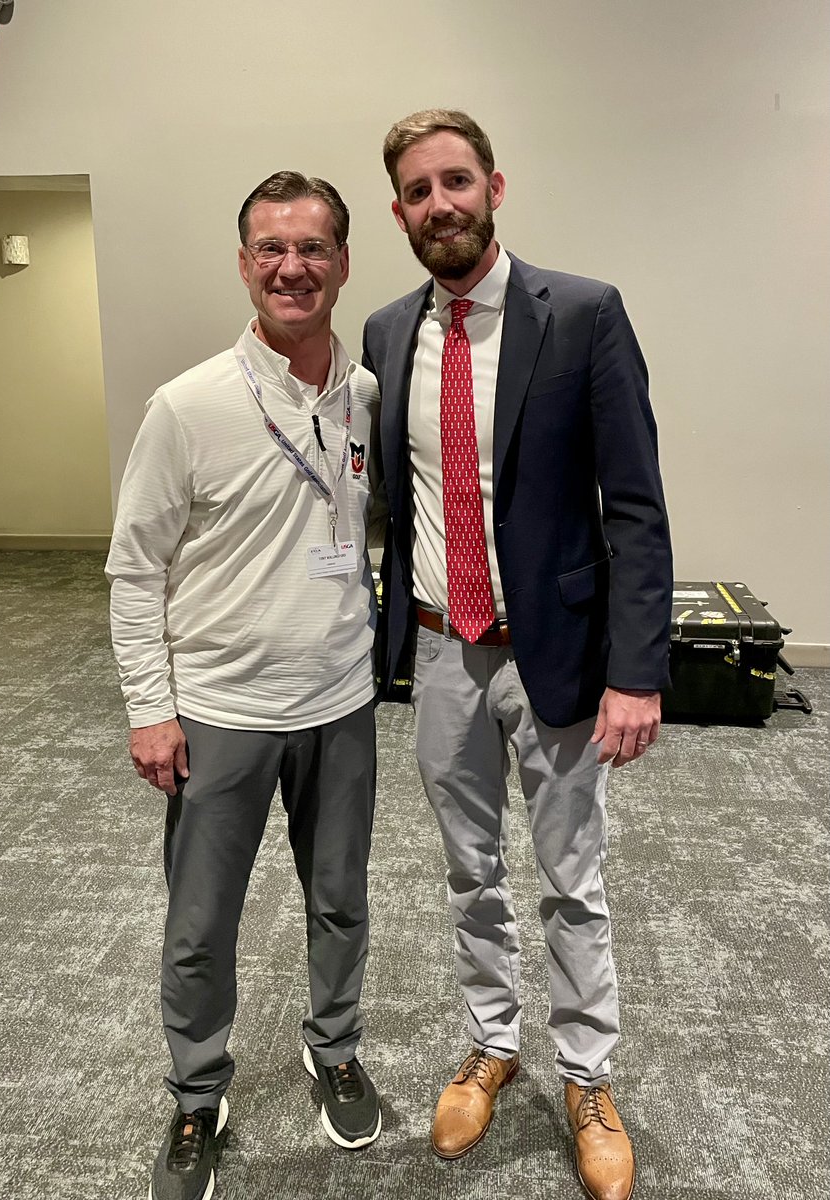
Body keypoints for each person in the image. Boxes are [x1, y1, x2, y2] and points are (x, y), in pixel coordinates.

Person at [363, 110, 672, 1200]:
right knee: (467, 872)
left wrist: (635, 670)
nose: (438, 203)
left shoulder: (581, 314)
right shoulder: (385, 331)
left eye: (455, 180)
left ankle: (586, 1076)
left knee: (570, 878)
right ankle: (492, 1044)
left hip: (558, 654)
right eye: (415, 189)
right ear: (398, 210)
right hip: (441, 651)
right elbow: (387, 508)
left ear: (495, 185)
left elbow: (633, 507)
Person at [106, 171, 383, 1200]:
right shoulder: (186, 407)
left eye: (311, 248)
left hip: (340, 702)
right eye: (270, 248)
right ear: (243, 264)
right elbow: (133, 568)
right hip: (220, 714)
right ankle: (196, 1094)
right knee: (199, 928)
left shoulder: (359, 395)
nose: (291, 268)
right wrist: (149, 708)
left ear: (342, 263)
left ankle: (334, 1045)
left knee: (340, 901)